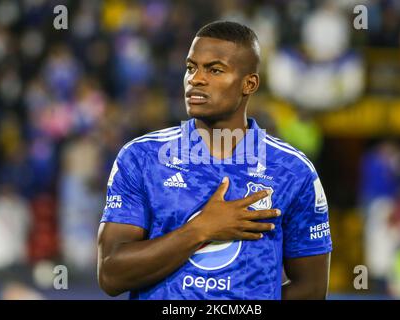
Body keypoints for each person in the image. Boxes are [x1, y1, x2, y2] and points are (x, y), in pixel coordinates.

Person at [97, 21, 332, 300]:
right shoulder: (141, 157)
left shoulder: (293, 171)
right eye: (190, 67)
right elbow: (111, 275)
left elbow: (312, 289)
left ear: (249, 84)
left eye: (215, 70)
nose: (196, 79)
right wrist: (201, 229)